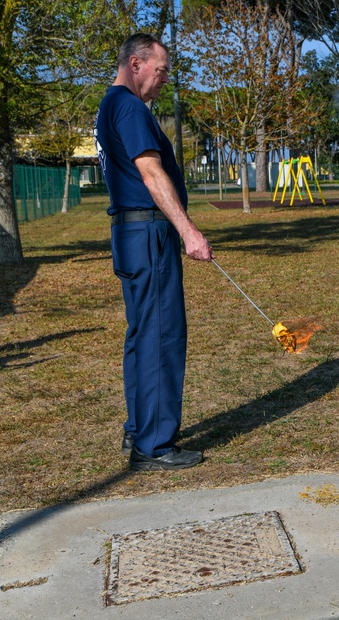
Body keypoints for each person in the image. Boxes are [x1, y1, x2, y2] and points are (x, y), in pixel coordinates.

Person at [95, 34, 214, 471]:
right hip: (148, 233)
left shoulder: (111, 106)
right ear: (135, 63)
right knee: (162, 335)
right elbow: (150, 172)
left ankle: (140, 427)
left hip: (131, 234)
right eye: (161, 70)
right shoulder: (128, 107)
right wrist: (189, 231)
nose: (165, 79)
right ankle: (156, 444)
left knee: (142, 334)